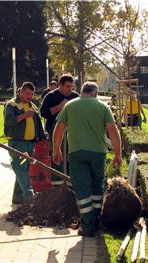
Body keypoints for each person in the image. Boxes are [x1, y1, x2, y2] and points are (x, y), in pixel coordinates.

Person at [53, 81, 122, 237]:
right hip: (98, 153)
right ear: (95, 93)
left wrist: (56, 150)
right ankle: (96, 220)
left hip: (76, 153)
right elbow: (113, 130)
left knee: (82, 188)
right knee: (97, 187)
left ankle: (87, 225)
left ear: (81, 91)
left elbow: (59, 130)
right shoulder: (103, 107)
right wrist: (118, 153)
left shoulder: (70, 105)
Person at [4, 82, 45, 208]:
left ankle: (17, 197)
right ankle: (29, 196)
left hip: (29, 143)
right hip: (17, 143)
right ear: (20, 91)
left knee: (25, 170)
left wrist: (42, 139)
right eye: (28, 93)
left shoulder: (32, 106)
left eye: (32, 94)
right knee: (21, 168)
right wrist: (24, 115)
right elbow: (9, 121)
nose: (30, 96)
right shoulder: (12, 104)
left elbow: (38, 124)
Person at [40, 74, 79, 185]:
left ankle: (71, 184)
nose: (70, 89)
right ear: (60, 85)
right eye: (67, 86)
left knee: (71, 158)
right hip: (55, 133)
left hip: (71, 133)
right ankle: (57, 184)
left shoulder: (75, 96)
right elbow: (43, 113)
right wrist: (59, 107)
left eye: (72, 87)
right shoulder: (50, 96)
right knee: (57, 158)